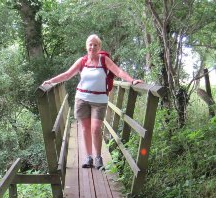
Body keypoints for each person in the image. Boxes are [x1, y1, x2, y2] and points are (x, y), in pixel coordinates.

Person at [43, 34, 142, 169]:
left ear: (99, 47)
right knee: (85, 128)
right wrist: (51, 81)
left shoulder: (104, 60)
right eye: (90, 44)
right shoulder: (82, 61)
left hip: (99, 100)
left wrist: (131, 80)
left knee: (95, 129)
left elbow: (118, 71)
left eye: (95, 44)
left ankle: (98, 157)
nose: (92, 47)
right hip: (82, 99)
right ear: (86, 46)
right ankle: (88, 157)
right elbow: (67, 75)